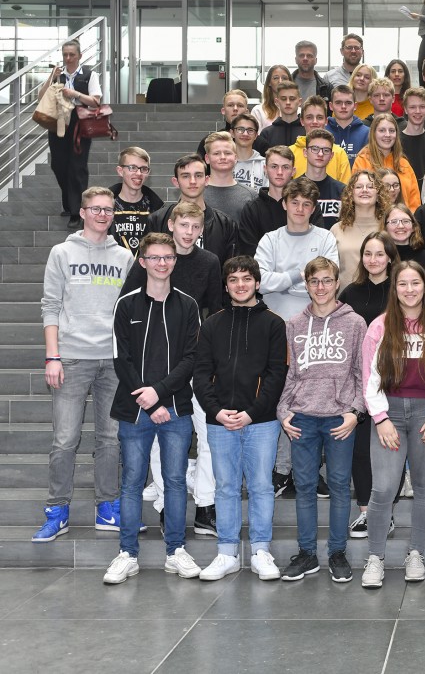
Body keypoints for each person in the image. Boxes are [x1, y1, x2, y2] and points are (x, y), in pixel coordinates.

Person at [34, 187, 134, 543]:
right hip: (72, 358)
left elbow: (129, 311)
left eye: (108, 210)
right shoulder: (61, 252)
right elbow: (49, 306)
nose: (103, 215)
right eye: (96, 209)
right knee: (65, 440)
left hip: (112, 361)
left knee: (110, 439)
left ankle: (107, 507)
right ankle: (57, 510)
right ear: (82, 211)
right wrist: (52, 355)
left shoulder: (124, 257)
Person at [103, 232, 201, 584]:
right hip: (135, 410)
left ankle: (175, 551)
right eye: (155, 258)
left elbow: (191, 359)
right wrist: (145, 399)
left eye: (168, 257)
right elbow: (121, 359)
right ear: (142, 262)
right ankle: (127, 554)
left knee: (175, 482)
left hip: (175, 409)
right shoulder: (126, 304)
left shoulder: (187, 305)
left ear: (175, 261)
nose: (162, 263)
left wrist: (158, 395)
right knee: (131, 483)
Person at [121, 202, 224, 531]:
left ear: (202, 229)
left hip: (198, 360)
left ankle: (205, 505)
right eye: (184, 226)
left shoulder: (209, 261)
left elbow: (217, 312)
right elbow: (128, 305)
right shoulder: (155, 258)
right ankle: (167, 504)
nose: (189, 232)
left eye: (196, 227)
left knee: (208, 434)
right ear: (171, 225)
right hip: (158, 366)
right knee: (158, 436)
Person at [193, 255, 288, 580]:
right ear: (226, 285)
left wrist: (251, 413)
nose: (240, 284)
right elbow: (201, 373)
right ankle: (227, 553)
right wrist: (216, 410)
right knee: (226, 487)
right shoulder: (212, 324)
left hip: (261, 422)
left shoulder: (273, 324)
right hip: (219, 421)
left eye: (246, 278)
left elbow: (277, 375)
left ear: (257, 283)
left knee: (261, 486)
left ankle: (261, 550)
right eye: (233, 279)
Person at [277, 256, 368, 582]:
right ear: (307, 284)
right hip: (302, 417)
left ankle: (337, 553)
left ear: (336, 282)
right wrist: (283, 411)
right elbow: (288, 374)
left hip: (339, 419)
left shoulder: (355, 323)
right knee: (304, 488)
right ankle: (306, 554)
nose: (320, 287)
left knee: (341, 486)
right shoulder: (294, 325)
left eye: (327, 280)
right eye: (314, 281)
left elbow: (363, 374)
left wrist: (355, 413)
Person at [359, 261, 425, 588]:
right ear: (394, 290)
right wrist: (380, 419)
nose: (410, 290)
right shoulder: (379, 327)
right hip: (388, 412)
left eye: (415, 283)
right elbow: (369, 377)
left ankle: (415, 554)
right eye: (403, 284)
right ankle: (375, 557)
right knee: (383, 488)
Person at [338, 232, 400, 540]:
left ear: (390, 257)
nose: (372, 260)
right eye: (367, 254)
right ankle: (366, 511)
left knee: (390, 449)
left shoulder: (400, 289)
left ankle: (385, 511)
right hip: (360, 382)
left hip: (396, 379)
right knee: (360, 449)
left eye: (379, 254)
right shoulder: (350, 292)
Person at [255, 176, 340, 321]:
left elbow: (327, 283)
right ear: (284, 204)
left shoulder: (326, 238)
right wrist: (298, 276)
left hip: (316, 320)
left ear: (313, 209)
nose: (300, 209)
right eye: (295, 203)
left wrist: (282, 285)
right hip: (276, 321)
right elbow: (260, 283)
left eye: (306, 204)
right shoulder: (270, 240)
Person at [39, 39, 102, 229]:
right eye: (65, 54)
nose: (68, 58)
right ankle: (69, 201)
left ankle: (77, 212)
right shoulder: (58, 75)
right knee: (58, 165)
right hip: (59, 121)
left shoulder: (89, 75)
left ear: (80, 56)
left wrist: (75, 94)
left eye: (71, 54)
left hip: (80, 122)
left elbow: (96, 102)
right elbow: (41, 97)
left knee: (77, 167)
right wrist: (52, 76)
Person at [144, 154, 238, 267]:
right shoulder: (157, 220)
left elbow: (230, 271)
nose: (193, 181)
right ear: (175, 182)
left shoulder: (226, 224)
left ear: (207, 180)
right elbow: (147, 264)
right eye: (185, 176)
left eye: (198, 175)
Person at [331, 170, 392, 287]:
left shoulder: (388, 227)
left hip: (382, 298)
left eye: (370, 186)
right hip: (344, 299)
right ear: (350, 193)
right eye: (359, 186)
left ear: (378, 193)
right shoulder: (336, 229)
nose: (365, 190)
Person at [353, 114, 422, 210]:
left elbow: (414, 202)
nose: (387, 135)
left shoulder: (404, 164)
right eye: (382, 130)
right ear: (373, 133)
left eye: (392, 131)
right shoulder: (362, 161)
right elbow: (355, 196)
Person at [237, 146, 297, 256]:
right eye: (274, 166)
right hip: (262, 271)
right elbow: (248, 251)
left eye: (285, 167)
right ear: (265, 169)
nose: (279, 172)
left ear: (293, 171)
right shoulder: (251, 210)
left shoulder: (304, 206)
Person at [109, 147, 164, 254]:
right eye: (132, 167)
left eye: (143, 169)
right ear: (120, 171)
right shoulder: (104, 208)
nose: (139, 173)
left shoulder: (158, 211)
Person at [291, 95, 352, 183]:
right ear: (302, 121)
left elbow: (345, 191)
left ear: (326, 121)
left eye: (319, 117)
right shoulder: (291, 153)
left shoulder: (339, 154)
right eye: (309, 117)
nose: (315, 122)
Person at [202, 132, 257, 222]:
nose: (223, 157)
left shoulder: (250, 195)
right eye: (216, 153)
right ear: (207, 158)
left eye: (227, 153)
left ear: (235, 158)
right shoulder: (196, 193)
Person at [299, 128, 347, 229]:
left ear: (331, 156)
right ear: (305, 152)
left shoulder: (342, 191)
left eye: (326, 150)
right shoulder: (293, 189)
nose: (320, 154)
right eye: (315, 149)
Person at [385, 205, 425, 284]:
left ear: (413, 227)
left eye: (406, 221)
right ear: (385, 228)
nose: (400, 226)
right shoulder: (381, 257)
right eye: (394, 222)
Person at [398, 88, 425, 187]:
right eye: (412, 107)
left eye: (422, 107)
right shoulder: (395, 142)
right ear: (405, 109)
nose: (418, 111)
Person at [252, 82, 304, 154]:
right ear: (276, 102)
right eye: (283, 99)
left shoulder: (307, 131)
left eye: (292, 99)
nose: (288, 102)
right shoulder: (266, 133)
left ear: (299, 102)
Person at [327, 85, 371, 167]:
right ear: (331, 106)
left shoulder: (368, 133)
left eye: (348, 103)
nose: (343, 107)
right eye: (338, 102)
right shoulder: (322, 132)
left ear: (355, 106)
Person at [251, 64, 293, 131]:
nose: (280, 81)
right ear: (269, 83)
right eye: (276, 78)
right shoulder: (258, 111)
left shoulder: (299, 112)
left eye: (284, 78)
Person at [231, 113, 267, 191]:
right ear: (232, 133)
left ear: (256, 135)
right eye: (240, 129)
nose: (245, 134)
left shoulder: (265, 165)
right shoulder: (224, 163)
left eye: (250, 130)